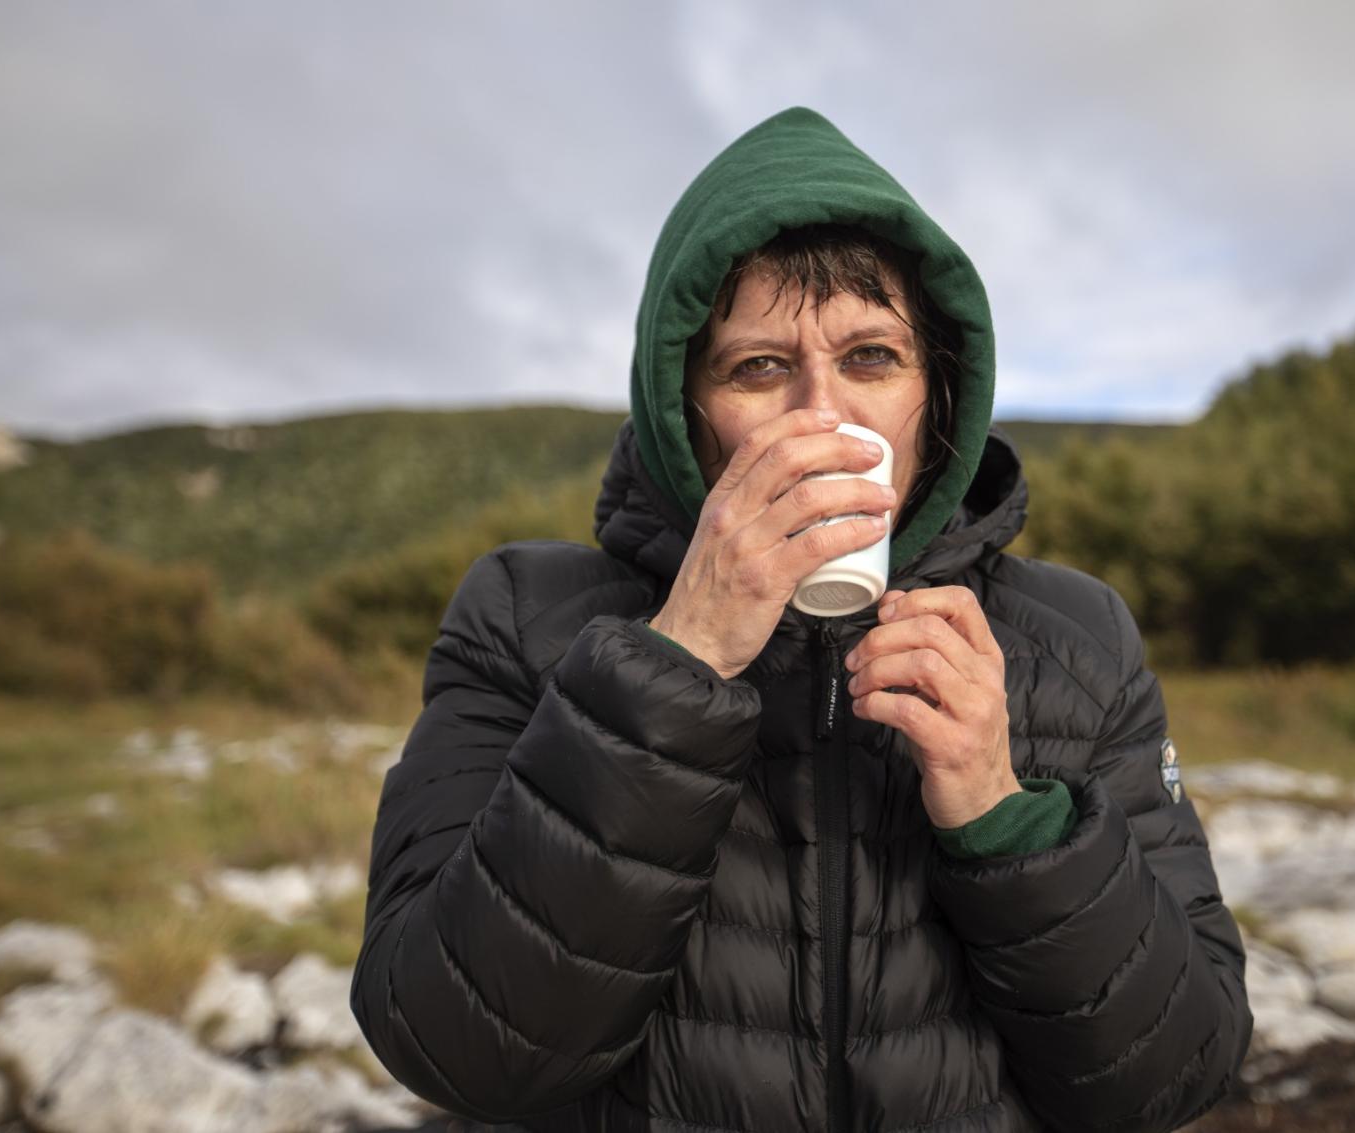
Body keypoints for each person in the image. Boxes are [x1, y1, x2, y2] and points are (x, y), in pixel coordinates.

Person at [351, 106, 1252, 1132]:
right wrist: (673, 665)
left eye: (871, 357)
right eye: (758, 367)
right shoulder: (524, 617)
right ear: (680, 405)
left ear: (938, 394)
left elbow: (1176, 1072)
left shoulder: (1076, 638)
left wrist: (1004, 813)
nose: (822, 413)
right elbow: (450, 1046)